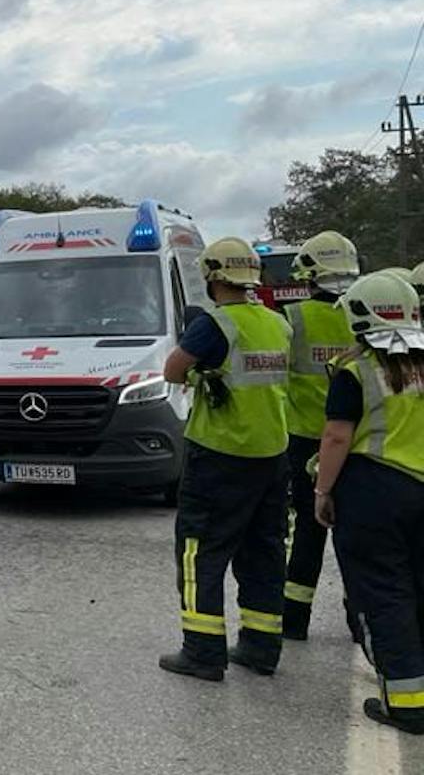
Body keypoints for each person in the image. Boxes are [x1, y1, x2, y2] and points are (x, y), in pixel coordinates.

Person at [158, 237, 292, 682]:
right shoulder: (278, 323)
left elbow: (173, 370)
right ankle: (260, 646)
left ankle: (202, 651)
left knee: (201, 551)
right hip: (272, 453)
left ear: (213, 277)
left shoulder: (214, 324)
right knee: (264, 552)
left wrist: (200, 374)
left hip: (219, 454)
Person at [312, 271, 424, 735]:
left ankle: (408, 703)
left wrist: (322, 491)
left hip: (375, 493)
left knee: (384, 594)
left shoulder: (355, 372)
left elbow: (338, 436)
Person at [281, 230, 360, 641]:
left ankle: (293, 621)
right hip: (357, 443)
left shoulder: (292, 318)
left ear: (309, 273)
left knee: (305, 536)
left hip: (305, 441)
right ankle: (359, 620)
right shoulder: (364, 313)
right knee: (356, 535)